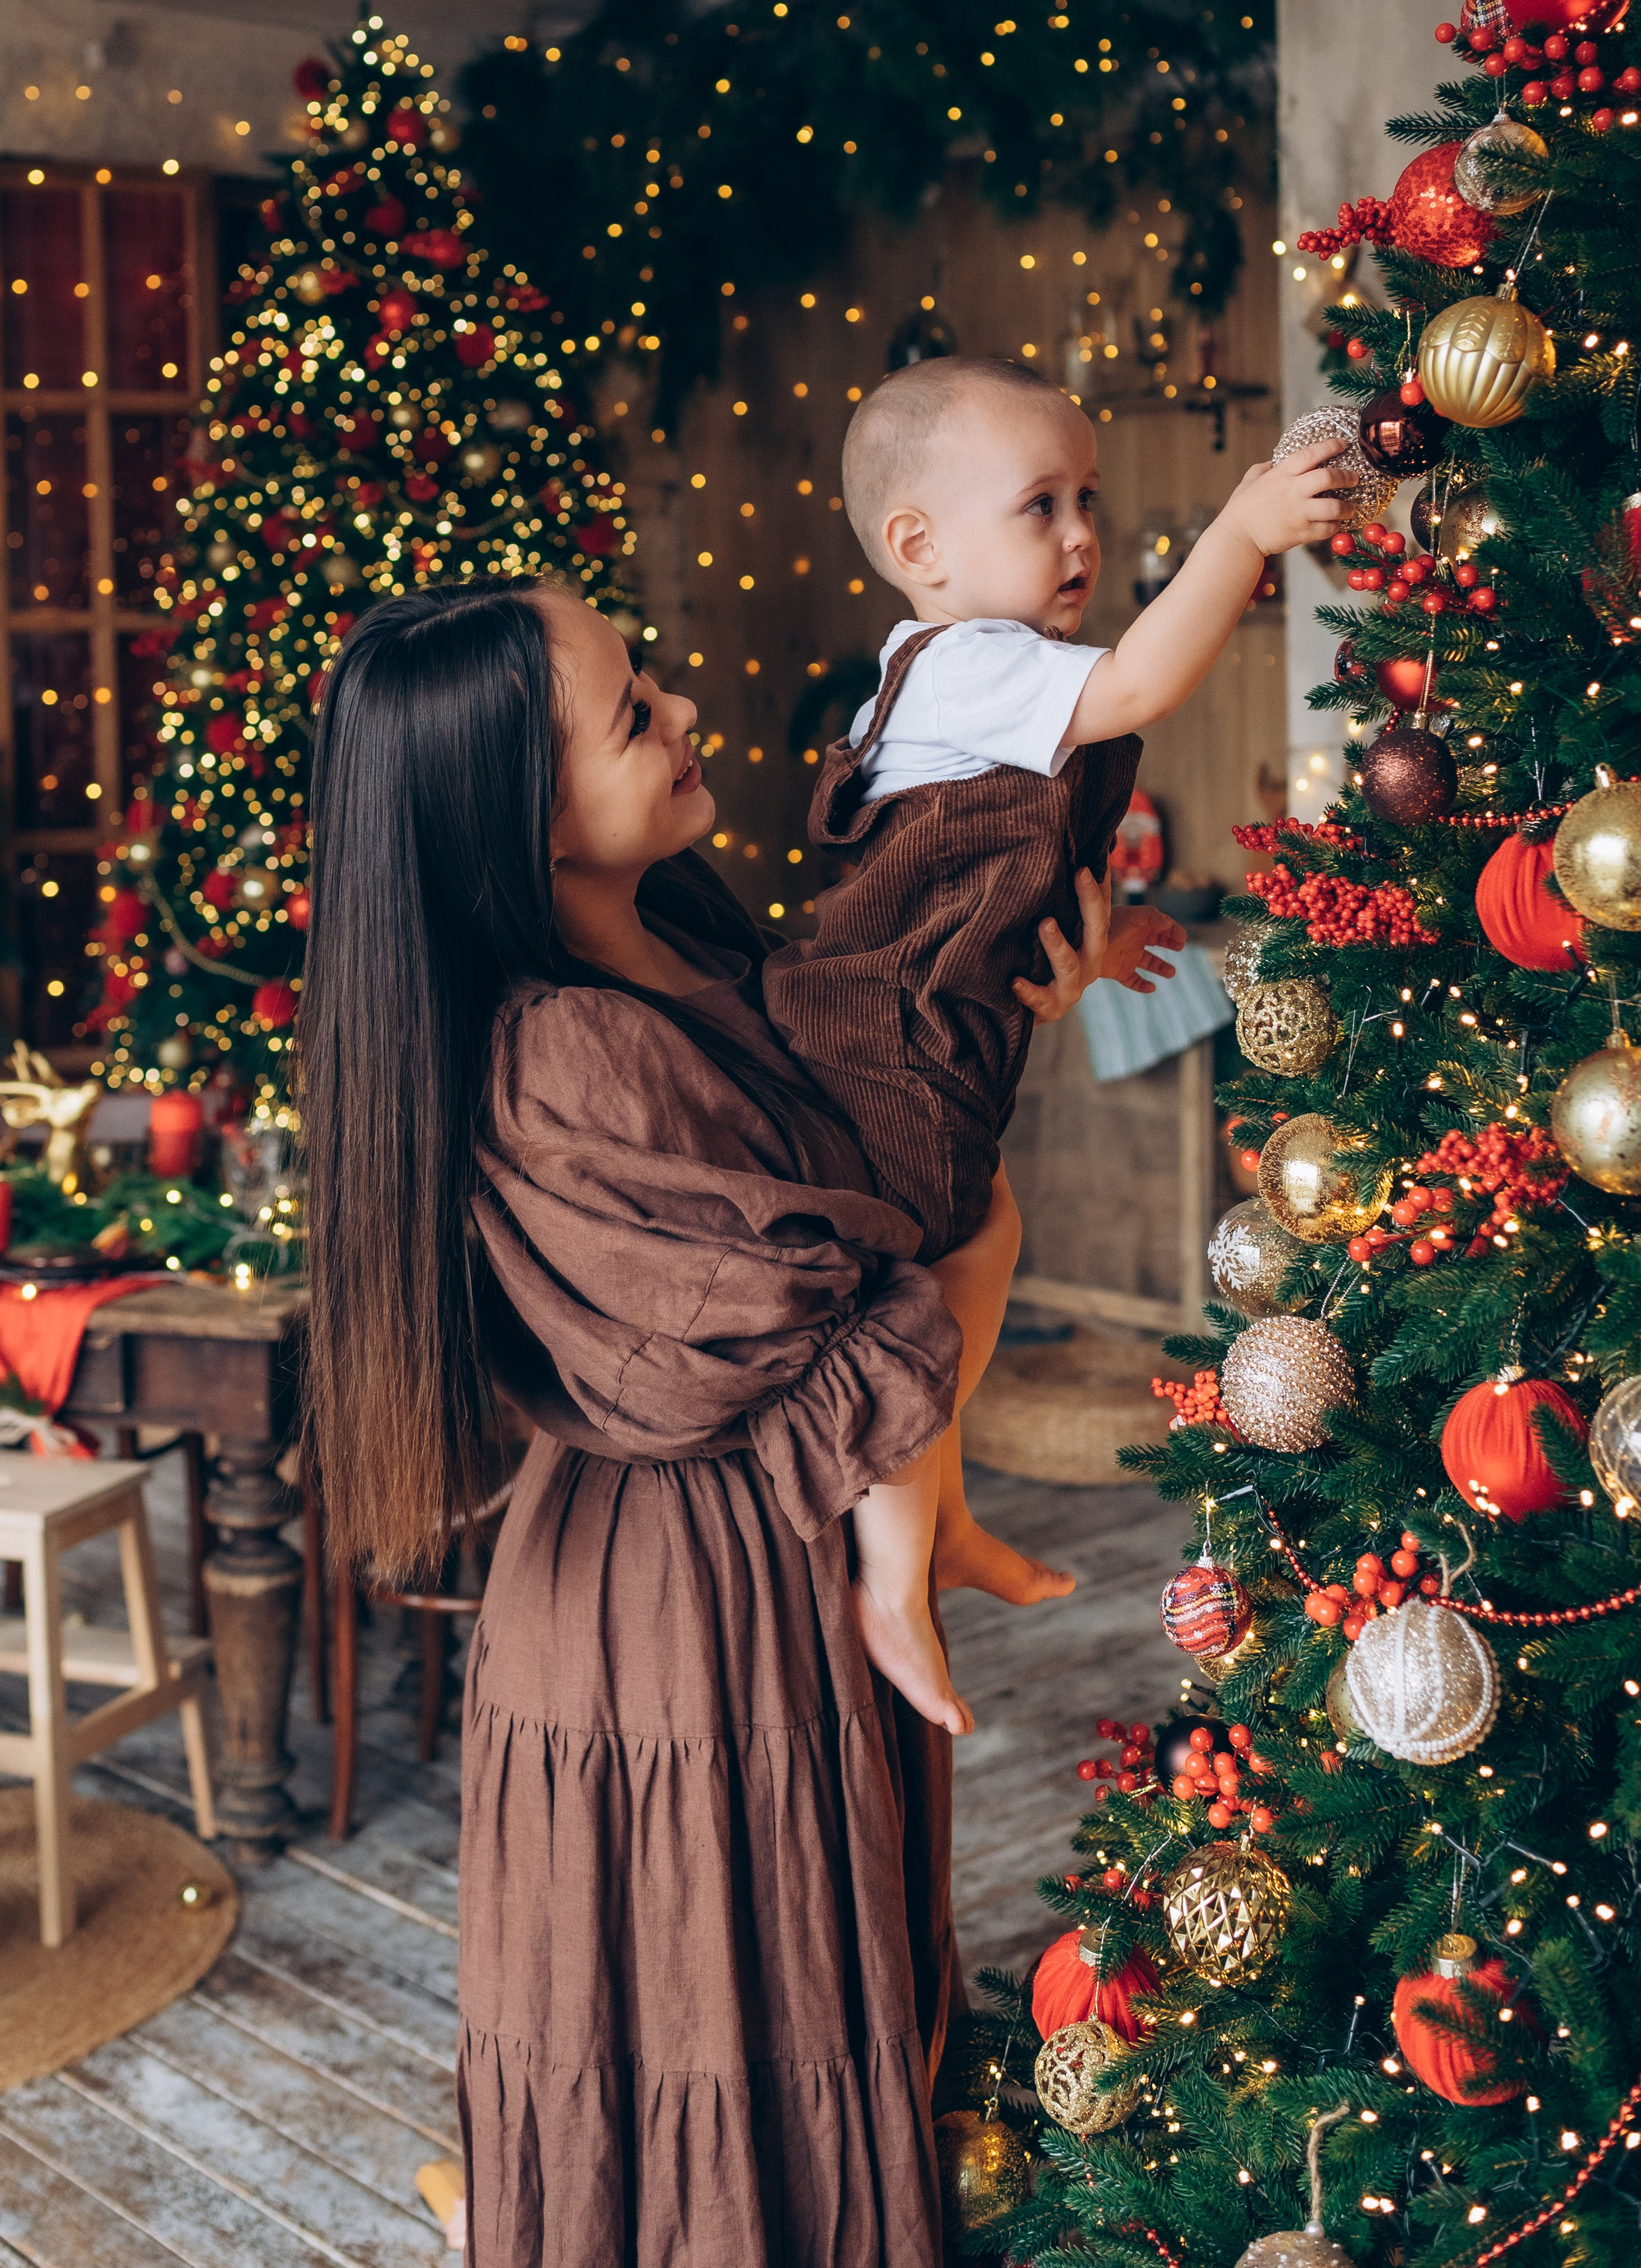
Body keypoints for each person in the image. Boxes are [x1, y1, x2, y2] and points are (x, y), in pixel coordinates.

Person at [297, 578, 1115, 2268]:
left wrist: (991, 1051)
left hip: (782, 1554)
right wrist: (957, 1258)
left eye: (648, 681)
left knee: (821, 2012)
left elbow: (917, 1232)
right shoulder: (564, 1057)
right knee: (716, 2061)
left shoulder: (717, 954)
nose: (682, 715)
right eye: (629, 714)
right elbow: (873, 1324)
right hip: (683, 1611)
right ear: (511, 823)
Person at [763, 358, 1342, 1732]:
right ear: (919, 549)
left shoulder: (925, 679)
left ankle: (941, 1516)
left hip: (908, 1028)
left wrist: (1098, 925)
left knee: (983, 1239)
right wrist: (1245, 532)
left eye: (1085, 498)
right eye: (1040, 505)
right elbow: (1141, 683)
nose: (1079, 532)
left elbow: (978, 864)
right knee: (920, 1288)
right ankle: (890, 1574)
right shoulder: (977, 665)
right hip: (885, 1044)